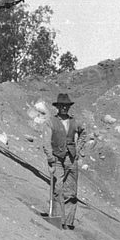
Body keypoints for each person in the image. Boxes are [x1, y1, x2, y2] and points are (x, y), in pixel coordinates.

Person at [45, 92, 86, 229]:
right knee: (58, 189)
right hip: (57, 159)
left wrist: (78, 149)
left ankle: (68, 222)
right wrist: (50, 158)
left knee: (71, 192)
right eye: (62, 106)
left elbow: (83, 133)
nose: (64, 108)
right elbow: (46, 142)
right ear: (58, 107)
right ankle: (58, 220)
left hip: (72, 159)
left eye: (66, 106)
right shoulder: (51, 121)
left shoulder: (75, 121)